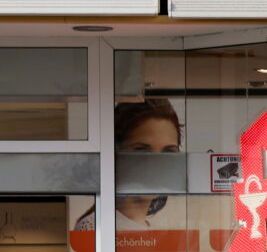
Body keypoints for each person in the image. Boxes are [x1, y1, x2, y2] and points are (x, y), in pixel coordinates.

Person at [71, 99, 183, 231]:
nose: (156, 165)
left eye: (168, 152)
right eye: (142, 151)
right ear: (115, 156)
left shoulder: (159, 231)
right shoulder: (95, 227)